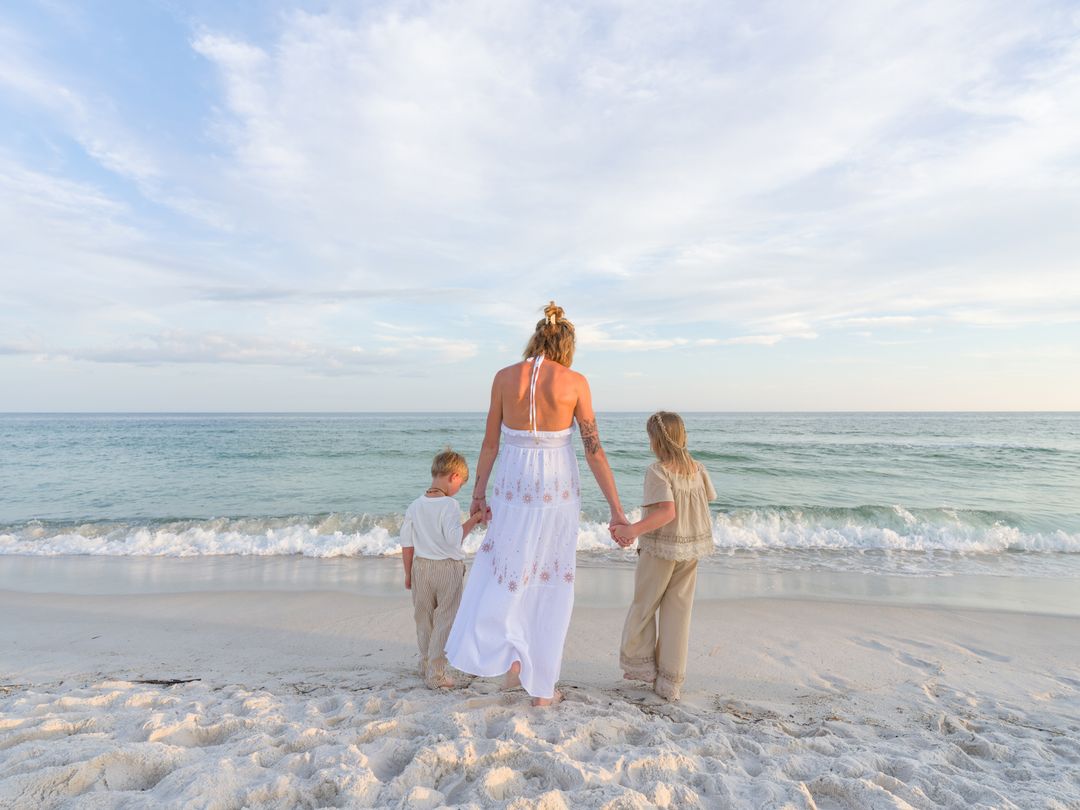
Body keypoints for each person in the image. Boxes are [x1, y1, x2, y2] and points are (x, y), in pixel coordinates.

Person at [445, 301, 626, 706]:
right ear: (567, 344)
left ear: (536, 336)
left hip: (512, 481)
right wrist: (616, 508)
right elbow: (594, 450)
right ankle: (541, 685)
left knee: (509, 569)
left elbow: (490, 442)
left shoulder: (504, 377)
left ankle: (513, 666)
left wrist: (477, 493)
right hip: (555, 484)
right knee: (548, 575)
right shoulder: (575, 382)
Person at [613, 411, 717, 701]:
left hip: (660, 547)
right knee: (678, 611)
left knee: (644, 605)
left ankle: (643, 666)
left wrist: (632, 529)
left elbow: (667, 512)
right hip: (691, 547)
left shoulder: (658, 470)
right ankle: (670, 682)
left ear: (656, 440)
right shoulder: (698, 469)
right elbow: (708, 498)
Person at [401, 447, 488, 689]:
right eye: (461, 484)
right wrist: (473, 520)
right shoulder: (449, 505)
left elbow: (407, 544)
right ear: (454, 477)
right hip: (447, 570)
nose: (458, 489)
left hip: (421, 568)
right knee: (445, 620)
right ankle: (437, 674)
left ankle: (425, 664)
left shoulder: (414, 506)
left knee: (423, 618)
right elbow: (453, 539)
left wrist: (408, 574)